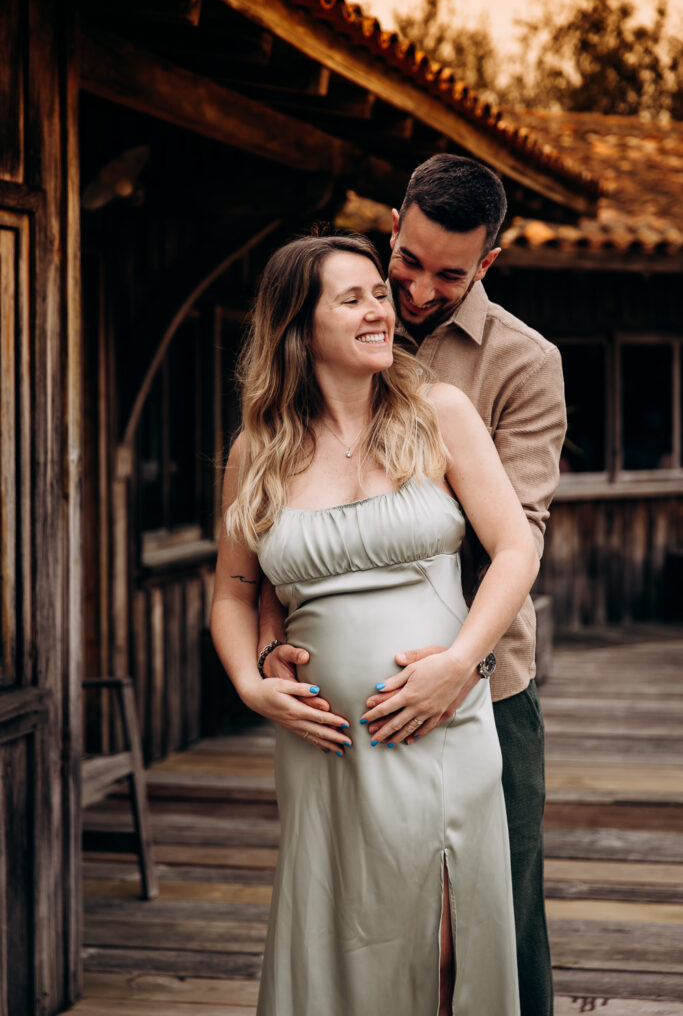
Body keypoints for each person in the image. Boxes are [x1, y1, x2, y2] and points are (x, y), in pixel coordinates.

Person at [260, 157, 565, 1016]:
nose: (417, 291)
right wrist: (267, 639)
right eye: (408, 263)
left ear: (486, 266)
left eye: (449, 274)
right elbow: (269, 525)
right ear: (392, 227)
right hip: (339, 714)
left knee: (495, 917)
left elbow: (517, 534)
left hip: (483, 681)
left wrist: (455, 668)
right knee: (354, 916)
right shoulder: (344, 309)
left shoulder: (521, 364)